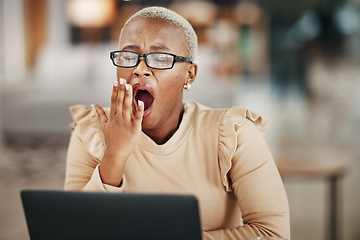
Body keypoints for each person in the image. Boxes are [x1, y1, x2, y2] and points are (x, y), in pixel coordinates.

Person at [64, 6, 290, 240]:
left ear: (190, 74)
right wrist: (115, 155)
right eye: (129, 56)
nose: (141, 69)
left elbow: (272, 233)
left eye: (161, 58)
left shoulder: (233, 134)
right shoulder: (90, 130)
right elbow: (73, 232)